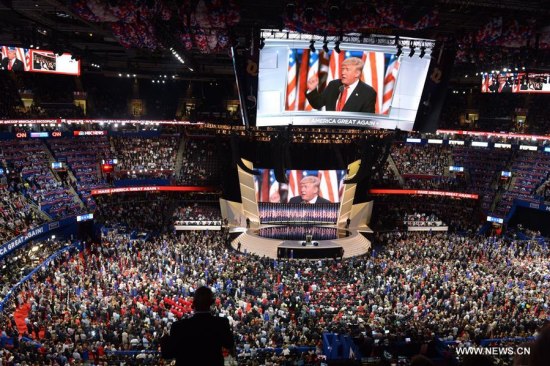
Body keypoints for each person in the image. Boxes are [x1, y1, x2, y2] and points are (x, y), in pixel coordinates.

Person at [168, 286, 235, 365]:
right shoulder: (221, 323)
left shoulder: (178, 327)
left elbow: (169, 354)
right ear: (212, 302)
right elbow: (229, 344)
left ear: (194, 303)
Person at [305, 57, 376, 113]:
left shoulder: (368, 93)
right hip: (330, 130)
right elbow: (317, 104)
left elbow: (367, 121)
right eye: (342, 69)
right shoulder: (333, 85)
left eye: (347, 69)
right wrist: (312, 89)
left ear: (357, 73)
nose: (343, 72)